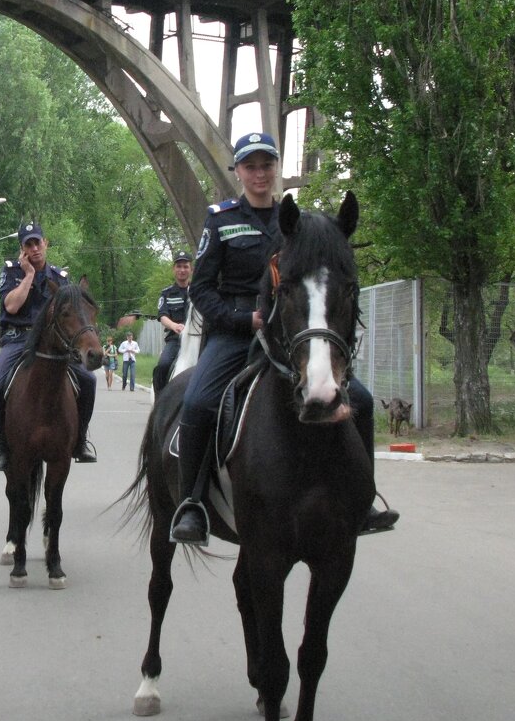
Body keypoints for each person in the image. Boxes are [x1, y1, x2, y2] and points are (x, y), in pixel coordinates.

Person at [169, 132, 400, 544]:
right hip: (237, 330)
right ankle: (192, 504)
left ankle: (362, 500)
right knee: (198, 399)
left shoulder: (297, 222)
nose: (259, 174)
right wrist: (243, 319)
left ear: (276, 169)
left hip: (289, 331)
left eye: (266, 165)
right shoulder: (220, 220)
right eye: (250, 166)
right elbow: (201, 289)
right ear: (237, 171)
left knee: (360, 400)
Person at [0, 221, 97, 471]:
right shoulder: (12, 272)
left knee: (89, 381)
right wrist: (30, 276)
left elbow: (72, 315)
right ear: (22, 249)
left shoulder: (60, 278)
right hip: (19, 340)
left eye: (38, 242)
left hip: (53, 343)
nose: (35, 248)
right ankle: (4, 448)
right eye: (29, 244)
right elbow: (11, 306)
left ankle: (80, 440)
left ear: (45, 243)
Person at [152, 250, 193, 395]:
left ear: (191, 269)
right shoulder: (166, 293)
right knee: (162, 367)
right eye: (179, 266)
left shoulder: (199, 291)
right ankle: (159, 406)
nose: (182, 270)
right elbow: (162, 316)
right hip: (175, 341)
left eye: (185, 266)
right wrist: (174, 326)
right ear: (174, 269)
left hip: (198, 340)